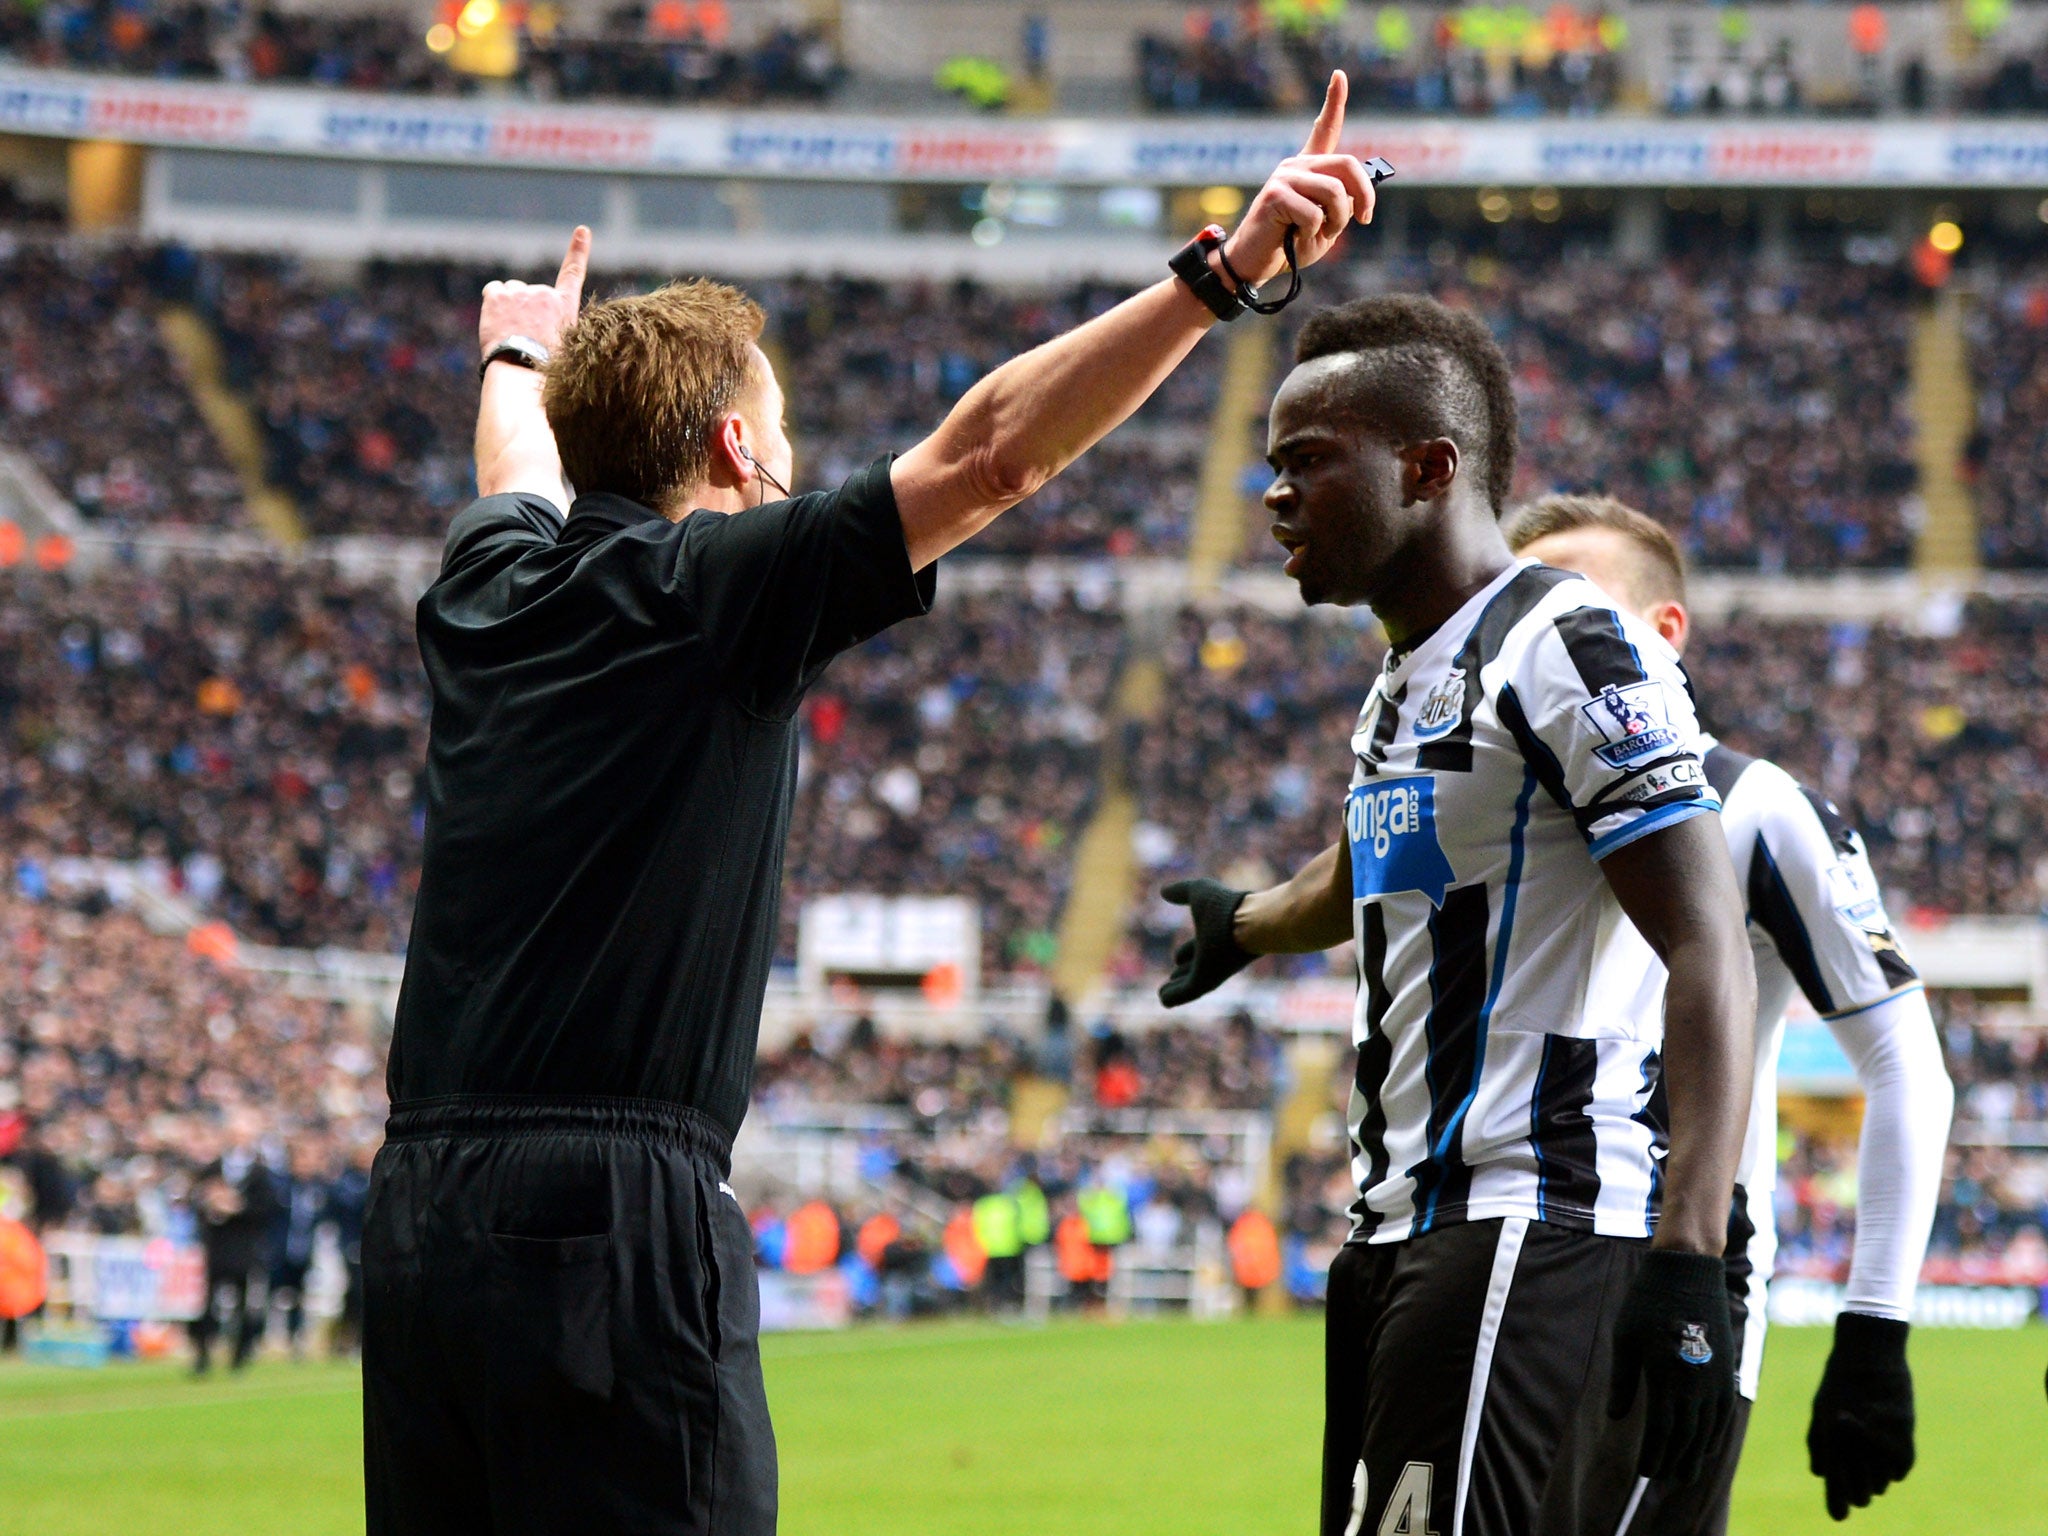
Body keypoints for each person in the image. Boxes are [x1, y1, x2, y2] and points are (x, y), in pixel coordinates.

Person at [361, 73, 1382, 1536]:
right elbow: (992, 457)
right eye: (774, 441)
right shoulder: (713, 587)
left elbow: (519, 469)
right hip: (611, 1209)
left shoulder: (484, 584)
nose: (785, 468)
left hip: (418, 1213)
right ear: (730, 455)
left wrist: (517, 355)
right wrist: (1217, 280)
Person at [1155, 294, 1758, 1536]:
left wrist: (1689, 1258)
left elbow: (1706, 942)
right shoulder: (1401, 680)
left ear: (1427, 469)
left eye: (1305, 462)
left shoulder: (1567, 647)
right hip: (1395, 1226)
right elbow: (1360, 870)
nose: (1271, 496)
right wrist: (1246, 924)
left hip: (1521, 1216)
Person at [1505, 493, 1954, 1531]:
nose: (1536, 621)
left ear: (1664, 630)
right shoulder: (1491, 809)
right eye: (1517, 598)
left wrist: (1871, 1335)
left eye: (1566, 593)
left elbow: (1903, 1064)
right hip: (1473, 1270)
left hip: (1665, 1296)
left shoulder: (1749, 806)